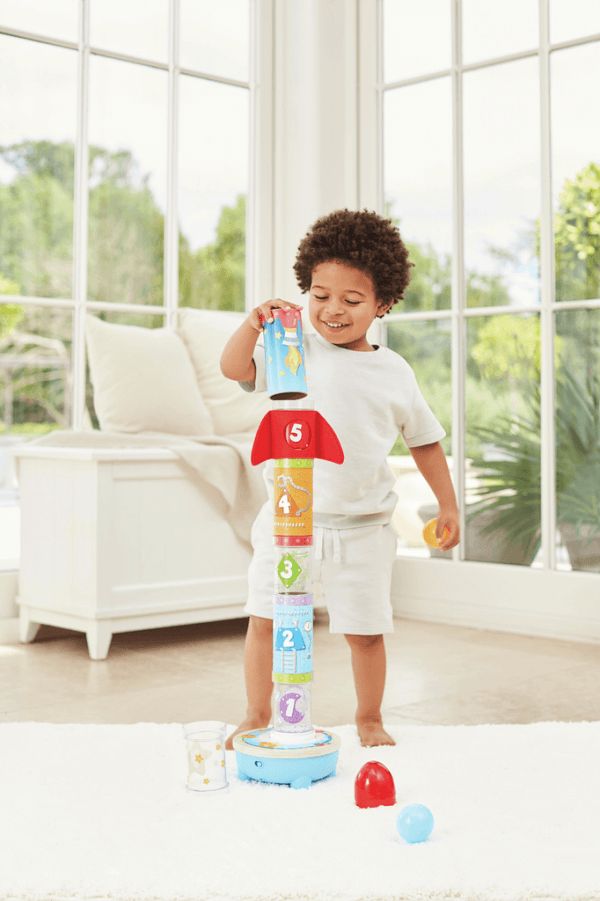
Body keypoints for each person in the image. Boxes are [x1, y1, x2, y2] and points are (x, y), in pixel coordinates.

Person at [220, 208, 459, 749]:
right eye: (320, 295)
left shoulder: (393, 372)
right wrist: (252, 324)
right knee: (265, 619)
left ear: (383, 304)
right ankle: (256, 713)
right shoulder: (290, 349)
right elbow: (235, 370)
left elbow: (424, 440)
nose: (332, 310)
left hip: (363, 529)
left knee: (366, 633)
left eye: (351, 300)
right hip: (287, 522)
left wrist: (447, 504)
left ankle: (369, 718)